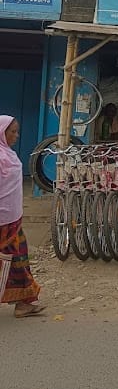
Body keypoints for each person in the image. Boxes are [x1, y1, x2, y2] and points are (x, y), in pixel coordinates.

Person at [0, 115, 46, 319]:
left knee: (17, 259)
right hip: (2, 221)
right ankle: (23, 301)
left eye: (17, 131)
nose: (16, 136)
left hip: (12, 218)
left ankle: (23, 301)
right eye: (12, 132)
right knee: (15, 259)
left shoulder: (7, 154)